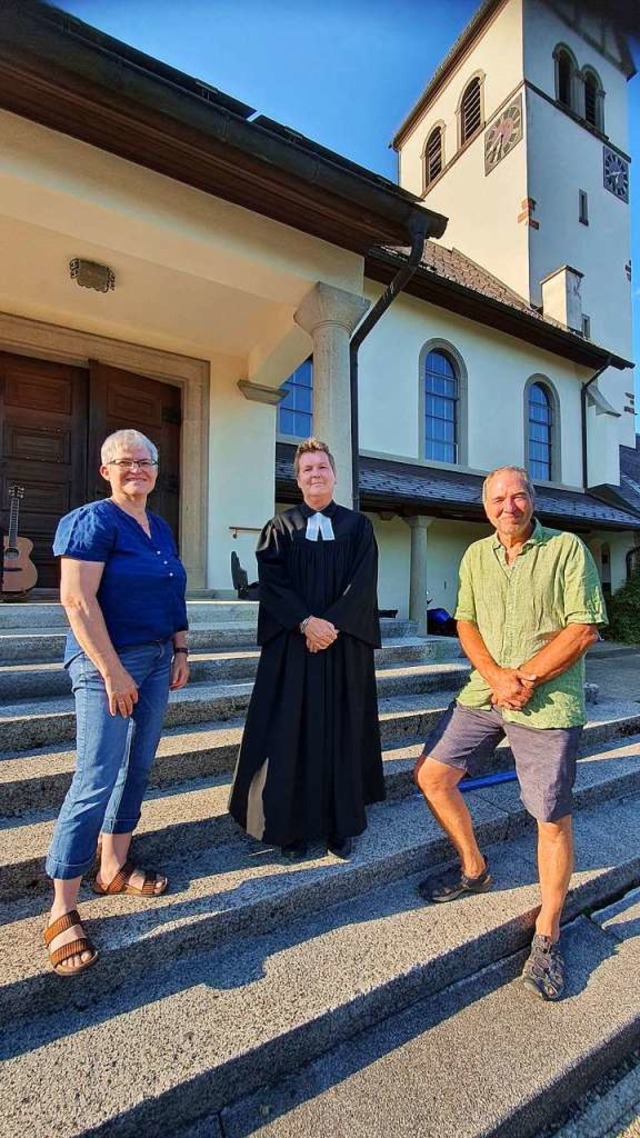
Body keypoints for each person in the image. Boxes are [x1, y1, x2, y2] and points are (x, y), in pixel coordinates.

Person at [414, 465, 607, 1000]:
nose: (508, 506)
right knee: (432, 775)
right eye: (498, 498)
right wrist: (498, 678)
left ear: (532, 499)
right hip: (486, 693)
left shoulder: (566, 549)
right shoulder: (477, 555)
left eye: (518, 496)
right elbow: (465, 623)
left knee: (549, 816)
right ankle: (475, 868)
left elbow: (584, 626)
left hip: (547, 701)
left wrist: (526, 678)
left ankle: (547, 933)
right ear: (485, 506)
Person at [43, 429, 190, 976]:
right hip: (106, 661)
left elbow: (173, 591)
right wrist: (111, 670)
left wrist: (180, 646)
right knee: (96, 775)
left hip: (155, 657)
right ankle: (62, 905)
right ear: (106, 470)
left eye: (146, 461)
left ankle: (113, 866)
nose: (137, 469)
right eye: (125, 462)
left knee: (139, 766)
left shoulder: (160, 525)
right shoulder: (91, 521)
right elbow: (77, 601)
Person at [228, 437, 385, 860]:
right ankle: (290, 826)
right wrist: (305, 623)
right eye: (307, 469)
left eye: (322, 467)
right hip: (293, 651)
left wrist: (330, 625)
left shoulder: (358, 527)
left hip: (343, 647)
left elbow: (363, 583)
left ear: (335, 475)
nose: (316, 474)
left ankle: (341, 825)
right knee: (288, 735)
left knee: (341, 733)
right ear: (297, 480)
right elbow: (273, 585)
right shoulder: (280, 528)